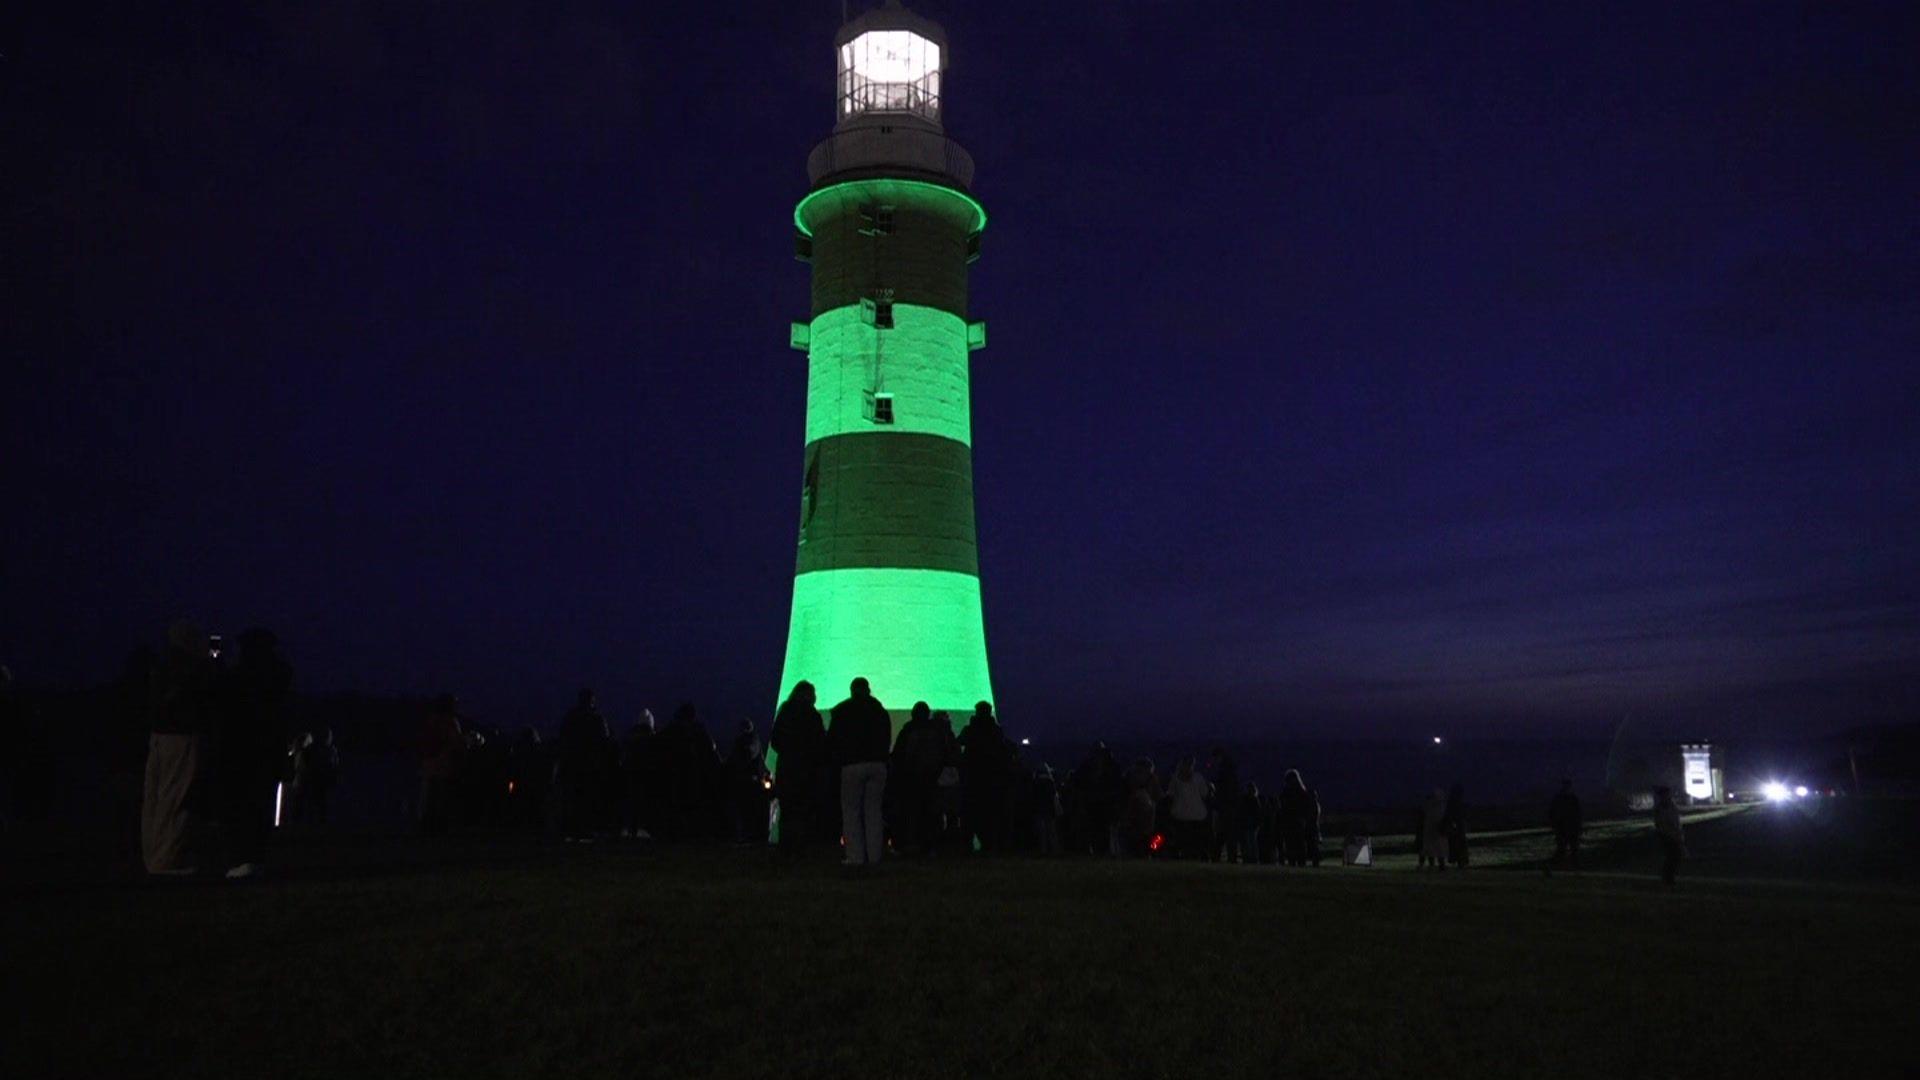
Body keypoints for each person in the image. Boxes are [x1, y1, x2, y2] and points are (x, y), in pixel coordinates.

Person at [143, 621, 219, 874]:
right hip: (181, 737)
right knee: (175, 799)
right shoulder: (191, 667)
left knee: (156, 798)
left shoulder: (162, 666)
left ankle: (154, 854)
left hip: (160, 735)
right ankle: (166, 861)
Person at [216, 628, 292, 878]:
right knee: (260, 804)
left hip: (243, 751)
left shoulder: (238, 676)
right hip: (266, 751)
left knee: (242, 805)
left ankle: (242, 857)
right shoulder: (279, 675)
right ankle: (254, 856)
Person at [828, 677, 891, 867]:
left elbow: (833, 740)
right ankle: (874, 857)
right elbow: (887, 737)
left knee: (851, 812)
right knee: (873, 811)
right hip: (877, 764)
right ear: (868, 690)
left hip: (851, 765)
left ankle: (855, 857)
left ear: (852, 690)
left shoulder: (841, 711)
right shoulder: (880, 711)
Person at [889, 701, 951, 855]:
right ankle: (932, 845)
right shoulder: (936, 731)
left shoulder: (908, 729)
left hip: (912, 778)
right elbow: (945, 753)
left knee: (913, 812)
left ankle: (913, 844)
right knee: (932, 813)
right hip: (932, 778)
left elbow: (898, 754)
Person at [769, 682, 827, 848]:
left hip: (787, 769)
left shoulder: (785, 712)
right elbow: (820, 743)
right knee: (804, 810)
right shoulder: (812, 715)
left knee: (787, 810)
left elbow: (776, 740)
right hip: (807, 771)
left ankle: (786, 846)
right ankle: (802, 846)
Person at [554, 689, 613, 841]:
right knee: (587, 798)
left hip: (573, 765)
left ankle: (572, 828)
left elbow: (563, 740)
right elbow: (605, 741)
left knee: (573, 799)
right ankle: (585, 828)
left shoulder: (571, 718)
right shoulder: (596, 719)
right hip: (590, 766)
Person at [958, 701, 1011, 852]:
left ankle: (968, 845)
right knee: (989, 814)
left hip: (972, 777)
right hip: (991, 778)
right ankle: (990, 844)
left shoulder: (970, 730)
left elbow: (959, 742)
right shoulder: (996, 731)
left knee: (971, 813)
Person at [418, 694, 465, 835]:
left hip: (428, 766)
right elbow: (457, 742)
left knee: (428, 798)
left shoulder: (430, 720)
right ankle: (438, 828)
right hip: (443, 766)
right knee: (441, 799)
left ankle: (425, 826)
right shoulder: (450, 722)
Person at [726, 718, 769, 844]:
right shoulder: (751, 740)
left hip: (748, 780)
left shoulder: (744, 742)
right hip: (750, 780)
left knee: (745, 809)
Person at [289, 725, 339, 824]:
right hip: (312, 783)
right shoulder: (325, 751)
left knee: (310, 808)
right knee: (316, 807)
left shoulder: (315, 751)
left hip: (309, 783)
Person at [617, 713, 655, 838]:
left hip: (629, 773)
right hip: (646, 774)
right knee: (644, 801)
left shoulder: (629, 738)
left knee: (630, 801)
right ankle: (642, 827)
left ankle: (628, 827)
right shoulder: (652, 739)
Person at [1165, 757, 1211, 860]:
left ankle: (1184, 855)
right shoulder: (1198, 778)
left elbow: (1170, 794)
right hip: (1197, 815)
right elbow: (1204, 793)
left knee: (1182, 838)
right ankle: (1195, 855)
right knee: (1195, 839)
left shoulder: (1175, 778)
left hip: (1179, 814)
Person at [1277, 769, 1311, 867]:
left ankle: (1295, 861)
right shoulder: (1301, 791)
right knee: (1297, 842)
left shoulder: (1288, 792)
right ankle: (1300, 861)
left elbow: (1282, 805)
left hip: (1292, 820)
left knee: (1292, 842)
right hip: (1296, 820)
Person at [1653, 785, 1686, 886]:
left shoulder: (1671, 805)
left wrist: (1678, 833)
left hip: (1673, 834)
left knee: (1675, 857)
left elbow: (1676, 820)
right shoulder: (1661, 808)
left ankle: (1669, 877)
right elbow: (1661, 823)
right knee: (1672, 857)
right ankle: (1668, 878)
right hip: (1667, 835)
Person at [1549, 779, 1583, 870]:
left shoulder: (1560, 799)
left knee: (1567, 850)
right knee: (1568, 850)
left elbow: (1577, 815)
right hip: (1566, 829)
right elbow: (1578, 814)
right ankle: (1573, 868)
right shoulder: (1571, 799)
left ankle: (1554, 867)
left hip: (1565, 829)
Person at [1031, 764, 1063, 855]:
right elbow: (1054, 797)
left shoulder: (1036, 783)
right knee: (1051, 831)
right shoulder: (1050, 783)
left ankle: (1043, 850)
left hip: (1040, 809)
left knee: (1042, 832)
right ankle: (1054, 850)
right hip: (1049, 810)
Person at [1231, 782, 1261, 864]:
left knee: (1248, 843)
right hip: (1249, 825)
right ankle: (1252, 858)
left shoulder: (1246, 800)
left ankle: (1249, 858)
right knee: (1251, 843)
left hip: (1248, 824)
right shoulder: (1254, 800)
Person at [1420, 788, 1449, 871]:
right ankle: (1440, 865)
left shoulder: (1430, 806)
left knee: (1430, 848)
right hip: (1436, 830)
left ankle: (1433, 864)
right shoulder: (1440, 807)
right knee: (1438, 848)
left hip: (1433, 830)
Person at [1442, 783, 1470, 868]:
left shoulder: (1451, 803)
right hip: (1457, 826)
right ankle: (1460, 861)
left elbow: (1448, 814)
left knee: (1456, 844)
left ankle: (1458, 860)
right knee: (1459, 844)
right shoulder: (1458, 803)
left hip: (1455, 826)